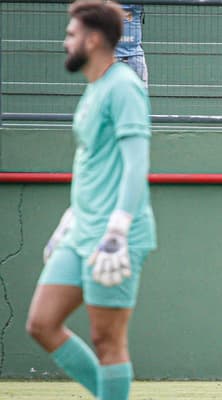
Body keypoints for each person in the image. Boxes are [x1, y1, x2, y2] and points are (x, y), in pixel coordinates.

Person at [26, 2, 156, 400]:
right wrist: (69, 220)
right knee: (42, 323)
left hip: (114, 236)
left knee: (107, 341)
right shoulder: (95, 88)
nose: (65, 41)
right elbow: (95, 165)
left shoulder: (124, 86)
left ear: (93, 39)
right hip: (81, 230)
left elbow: (137, 164)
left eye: (71, 34)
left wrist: (116, 230)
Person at [115, 3, 147, 87]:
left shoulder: (136, 6)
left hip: (135, 57)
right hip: (113, 58)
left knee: (140, 94)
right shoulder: (109, 7)